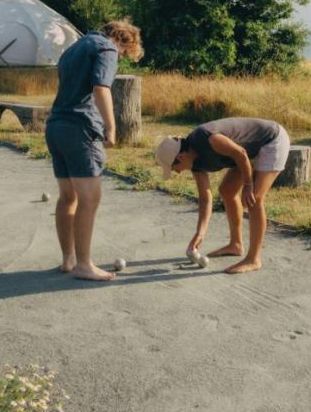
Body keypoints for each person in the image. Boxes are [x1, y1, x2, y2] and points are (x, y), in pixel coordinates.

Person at [45, 19, 143, 281]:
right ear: (122, 41)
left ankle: (69, 259)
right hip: (80, 128)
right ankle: (84, 265)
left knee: (68, 197)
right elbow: (101, 88)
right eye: (124, 53)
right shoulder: (106, 49)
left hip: (56, 125)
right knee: (90, 198)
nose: (120, 57)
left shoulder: (75, 48)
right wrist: (111, 127)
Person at [153, 117, 290, 274]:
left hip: (271, 140)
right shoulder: (195, 163)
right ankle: (236, 245)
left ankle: (254, 259)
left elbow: (241, 153)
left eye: (174, 168)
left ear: (180, 157)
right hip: (247, 152)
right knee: (227, 190)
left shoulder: (205, 137)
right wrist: (200, 233)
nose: (176, 172)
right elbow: (205, 199)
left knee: (254, 198)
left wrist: (248, 185)